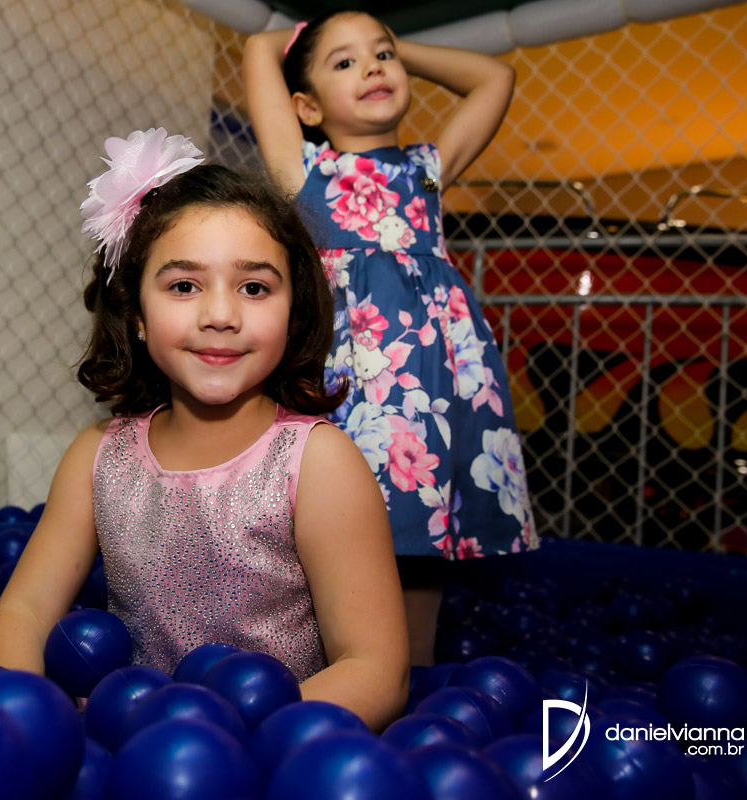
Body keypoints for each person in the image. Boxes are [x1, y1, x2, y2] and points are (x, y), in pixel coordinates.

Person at [0, 128, 409, 730]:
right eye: (184, 285)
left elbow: (376, 668)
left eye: (254, 287)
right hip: (124, 744)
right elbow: (22, 614)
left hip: (269, 752)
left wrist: (230, 742)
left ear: (294, 313)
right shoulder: (98, 457)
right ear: (135, 313)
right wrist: (28, 722)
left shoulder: (318, 462)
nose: (220, 315)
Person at [244, 12, 538, 667]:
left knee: (419, 529)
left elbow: (495, 77)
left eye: (382, 55)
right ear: (307, 107)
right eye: (344, 62)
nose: (374, 67)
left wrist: (398, 47)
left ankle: (410, 675)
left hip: (427, 385)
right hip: (346, 378)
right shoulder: (303, 169)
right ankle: (327, 666)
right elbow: (260, 48)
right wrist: (300, 31)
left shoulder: (427, 170)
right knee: (330, 522)